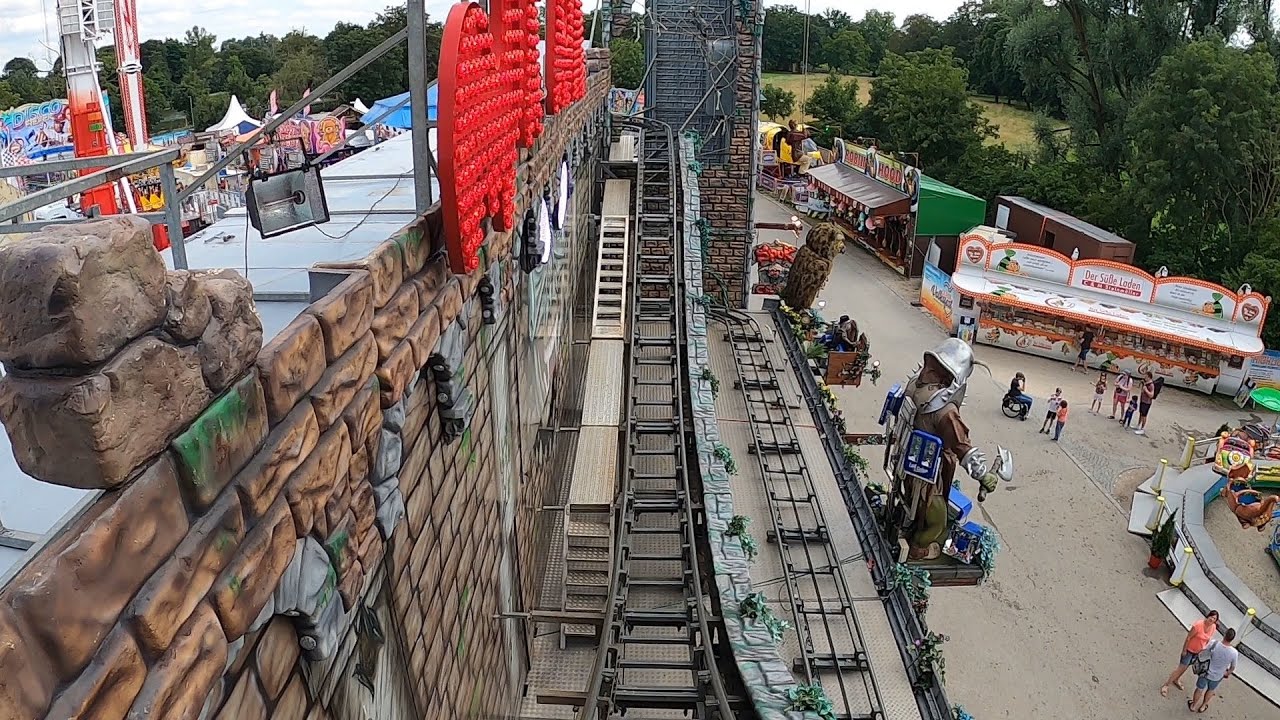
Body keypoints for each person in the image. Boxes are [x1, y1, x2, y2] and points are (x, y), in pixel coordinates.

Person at [1160, 609, 1219, 697]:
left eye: (1214, 619)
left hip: (1198, 652)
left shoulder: (1213, 627)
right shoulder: (1198, 625)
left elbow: (1208, 640)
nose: (1212, 620)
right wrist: (1184, 650)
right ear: (1208, 616)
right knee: (1181, 668)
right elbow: (1189, 637)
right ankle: (1166, 685)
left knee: (1186, 667)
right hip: (1189, 650)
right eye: (1211, 617)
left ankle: (1176, 680)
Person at [1189, 627, 1238, 713]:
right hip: (1218, 675)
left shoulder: (1214, 643)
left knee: (1199, 689)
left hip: (1205, 672)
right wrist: (1227, 673)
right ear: (1232, 639)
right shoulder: (1234, 653)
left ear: (1224, 634)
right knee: (1211, 690)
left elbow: (1203, 652)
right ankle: (1203, 706)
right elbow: (1232, 667)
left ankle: (1193, 705)